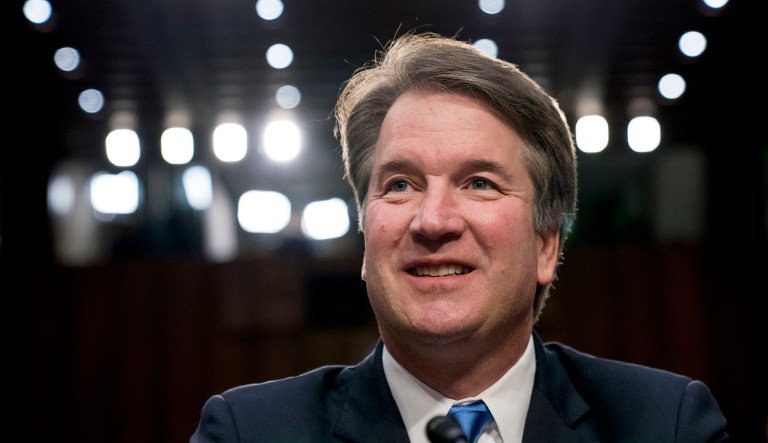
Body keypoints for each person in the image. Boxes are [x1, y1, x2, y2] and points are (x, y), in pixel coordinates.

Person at [190, 31, 728, 443]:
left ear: (546, 244)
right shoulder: (247, 431)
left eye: (479, 183)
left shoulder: (668, 424)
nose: (433, 221)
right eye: (400, 185)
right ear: (365, 236)